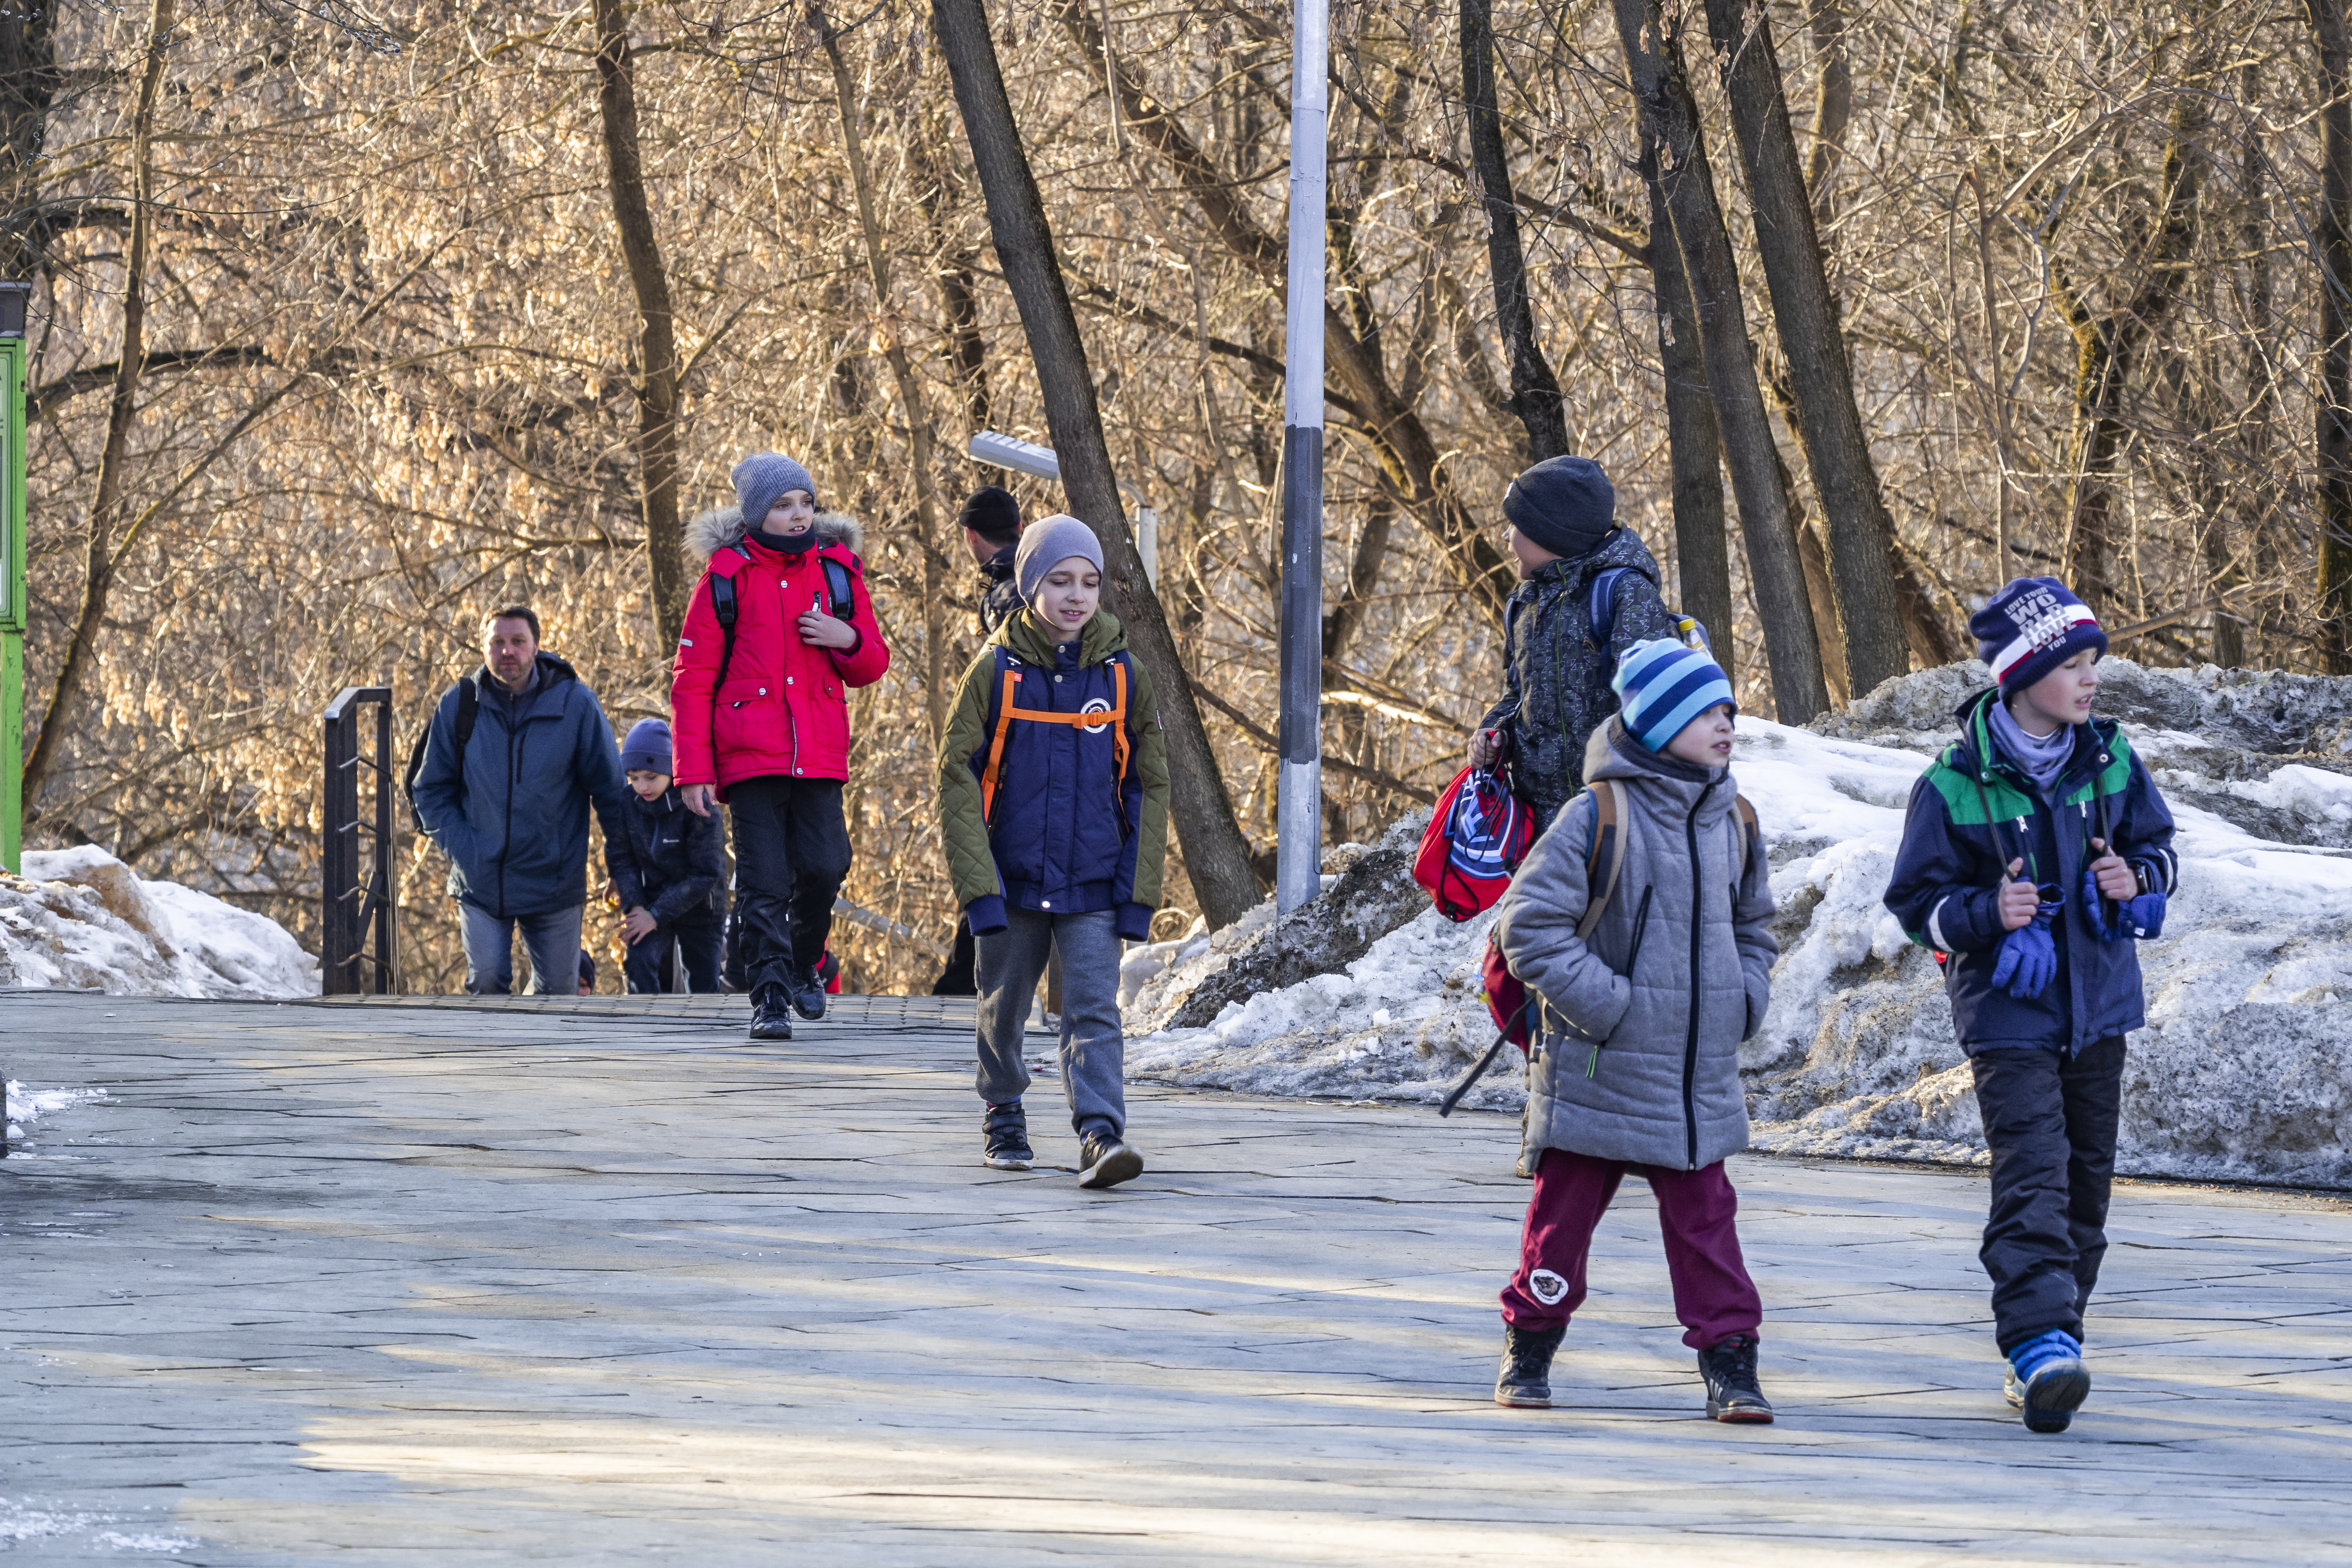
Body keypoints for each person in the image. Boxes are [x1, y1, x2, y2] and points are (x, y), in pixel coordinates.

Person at [1883, 577, 2177, 1434]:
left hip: (2100, 1008)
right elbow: (1916, 905)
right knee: (2035, 1175)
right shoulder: (1954, 784)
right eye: (2074, 665)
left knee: (2086, 1183)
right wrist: (1987, 913)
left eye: (2096, 663)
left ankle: (2057, 1344)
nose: (2091, 680)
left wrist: (2136, 879)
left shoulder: (2113, 759)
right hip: (2009, 1015)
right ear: (2023, 675)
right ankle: (2038, 1339)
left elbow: (2158, 850)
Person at [1487, 638, 1779, 1423]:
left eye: (1729, 711)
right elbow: (1529, 926)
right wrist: (1611, 1007)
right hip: (1599, 1067)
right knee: (1561, 1226)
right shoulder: (1597, 816)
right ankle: (1531, 1343)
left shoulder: (1736, 820)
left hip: (1694, 1078)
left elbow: (1757, 926)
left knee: (1708, 1227)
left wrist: (1746, 997)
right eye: (1707, 711)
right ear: (1656, 724)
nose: (1726, 724)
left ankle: (1732, 1364)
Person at [936, 515, 1169, 1190]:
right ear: (1031, 583)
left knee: (1094, 1008)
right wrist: (978, 887)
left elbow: (1150, 786)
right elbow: (956, 779)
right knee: (1002, 1007)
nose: (1075, 595)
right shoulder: (993, 671)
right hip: (1011, 882)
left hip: (1094, 883)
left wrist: (1136, 891)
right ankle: (1003, 1107)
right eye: (1060, 580)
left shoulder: (1125, 676)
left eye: (1089, 582)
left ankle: (1100, 1134)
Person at [671, 453, 889, 1041]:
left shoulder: (840, 570)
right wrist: (692, 771)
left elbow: (872, 662)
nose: (798, 516)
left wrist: (845, 638)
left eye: (805, 504)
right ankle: (768, 993)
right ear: (755, 514)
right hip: (749, 753)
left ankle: (804, 961)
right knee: (764, 879)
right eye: (782, 506)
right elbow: (692, 678)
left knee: (826, 864)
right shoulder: (725, 576)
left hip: (818, 749)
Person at [412, 604, 632, 995]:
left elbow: (612, 793)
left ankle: (541, 1057)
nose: (508, 651)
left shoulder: (576, 705)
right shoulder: (460, 705)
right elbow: (429, 789)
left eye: (517, 641)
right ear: (483, 647)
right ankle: (495, 1058)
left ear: (536, 646)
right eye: (497, 642)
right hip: (481, 879)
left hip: (553, 880)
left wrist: (621, 866)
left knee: (559, 996)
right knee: (487, 980)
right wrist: (466, 849)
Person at [1471, 455, 1679, 828]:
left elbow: (1652, 712)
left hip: (1617, 821)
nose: (1505, 537)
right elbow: (1518, 696)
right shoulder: (1524, 603)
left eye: (1515, 526)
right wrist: (1494, 734)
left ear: (1550, 535)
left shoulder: (1623, 593)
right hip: (1540, 826)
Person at [933, 485, 1029, 997]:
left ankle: (966, 979)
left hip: (1012, 748)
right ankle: (962, 976)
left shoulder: (1008, 592)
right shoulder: (1031, 574)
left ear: (971, 536)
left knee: (985, 852)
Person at [611, 717, 727, 994]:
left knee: (702, 987)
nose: (642, 787)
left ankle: (704, 1033)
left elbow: (706, 874)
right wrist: (636, 906)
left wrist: (656, 914)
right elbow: (622, 857)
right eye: (634, 778)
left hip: (701, 907)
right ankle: (645, 1028)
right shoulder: (628, 802)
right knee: (638, 963)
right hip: (651, 900)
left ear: (671, 770)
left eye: (651, 777)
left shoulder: (700, 806)